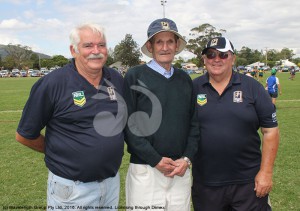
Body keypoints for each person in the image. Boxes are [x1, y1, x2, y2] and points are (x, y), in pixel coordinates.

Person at [16, 23, 126, 210]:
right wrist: (59, 152)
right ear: (73, 50)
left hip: (111, 184)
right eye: (88, 45)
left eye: (101, 45)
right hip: (72, 190)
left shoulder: (115, 78)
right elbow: (24, 135)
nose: (96, 51)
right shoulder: (53, 83)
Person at [192, 37, 280, 211]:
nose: (216, 59)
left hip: (249, 183)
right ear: (204, 59)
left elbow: (271, 131)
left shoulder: (252, 87)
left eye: (223, 55)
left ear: (233, 58)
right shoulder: (192, 88)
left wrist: (266, 172)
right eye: (211, 54)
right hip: (206, 184)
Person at [123, 18, 199, 211]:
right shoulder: (134, 75)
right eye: (159, 42)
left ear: (176, 45)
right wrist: (155, 159)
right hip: (146, 170)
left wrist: (187, 158)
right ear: (150, 46)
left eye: (170, 41)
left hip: (180, 170)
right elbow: (128, 125)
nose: (165, 47)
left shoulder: (185, 79)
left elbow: (194, 123)